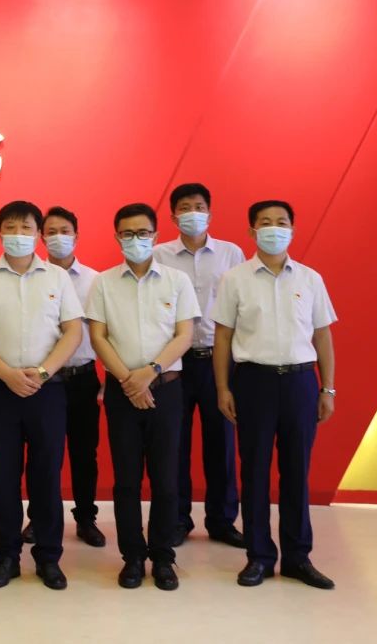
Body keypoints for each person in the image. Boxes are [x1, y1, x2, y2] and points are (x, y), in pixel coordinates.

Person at [213, 200, 338, 589]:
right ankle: (259, 557)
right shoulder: (235, 279)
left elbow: (322, 335)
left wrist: (327, 387)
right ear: (251, 231)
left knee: (297, 471)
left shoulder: (310, 279)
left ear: (292, 230)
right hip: (254, 382)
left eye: (281, 222)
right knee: (254, 470)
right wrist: (223, 387)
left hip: (300, 382)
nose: (273, 228)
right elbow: (223, 337)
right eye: (265, 222)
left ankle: (298, 557)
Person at [0, 201, 82, 591]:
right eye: (10, 227)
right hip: (0, 389)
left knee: (46, 475)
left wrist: (43, 372)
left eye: (26, 227)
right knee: (4, 476)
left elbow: (73, 331)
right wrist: (5, 373)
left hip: (47, 390)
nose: (18, 234)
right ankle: (7, 556)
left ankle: (48, 556)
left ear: (38, 233)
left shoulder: (57, 278)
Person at [87, 203, 200, 591]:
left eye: (143, 232)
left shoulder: (176, 281)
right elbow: (98, 337)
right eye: (128, 233)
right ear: (117, 237)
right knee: (127, 481)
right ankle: (132, 557)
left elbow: (184, 335)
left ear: (155, 235)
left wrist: (149, 372)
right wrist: (128, 381)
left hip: (166, 388)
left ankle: (163, 557)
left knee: (166, 479)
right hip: (122, 393)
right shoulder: (103, 283)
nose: (136, 239)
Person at [152, 183, 245, 548]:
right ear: (173, 216)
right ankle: (178, 519)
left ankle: (222, 520)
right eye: (185, 207)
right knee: (174, 444)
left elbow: (241, 305)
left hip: (218, 361)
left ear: (210, 212)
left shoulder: (230, 253)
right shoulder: (158, 255)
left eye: (199, 206)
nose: (193, 212)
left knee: (221, 443)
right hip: (173, 362)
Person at [23, 206, 107, 548]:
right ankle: (39, 518)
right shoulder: (32, 276)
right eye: (51, 232)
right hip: (44, 381)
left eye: (65, 231)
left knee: (85, 454)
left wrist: (107, 377)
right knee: (43, 454)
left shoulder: (96, 280)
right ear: (42, 238)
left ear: (76, 235)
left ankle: (86, 518)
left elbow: (108, 332)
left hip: (83, 377)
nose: (58, 237)